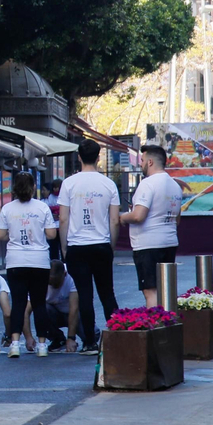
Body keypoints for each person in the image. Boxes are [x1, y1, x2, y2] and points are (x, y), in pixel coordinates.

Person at [58, 139, 121, 351]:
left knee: (84, 295)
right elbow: (114, 220)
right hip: (101, 244)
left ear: (79, 157)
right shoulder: (108, 184)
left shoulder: (69, 184)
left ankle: (89, 342)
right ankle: (117, 336)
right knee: (107, 293)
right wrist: (111, 246)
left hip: (77, 246)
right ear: (98, 157)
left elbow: (63, 219)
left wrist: (64, 247)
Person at [0, 171, 58, 358]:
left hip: (16, 261)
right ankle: (42, 345)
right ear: (33, 187)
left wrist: (13, 234)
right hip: (39, 261)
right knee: (39, 303)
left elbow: (0, 235)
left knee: (18, 303)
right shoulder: (42, 207)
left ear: (14, 188)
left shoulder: (7, 208)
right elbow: (51, 234)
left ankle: (15, 344)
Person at [119, 145, 183, 308]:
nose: (140, 164)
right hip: (169, 242)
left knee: (151, 291)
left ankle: (156, 323)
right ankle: (169, 321)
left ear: (150, 162)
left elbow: (138, 216)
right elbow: (177, 219)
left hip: (148, 245)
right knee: (166, 290)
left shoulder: (147, 184)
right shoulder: (175, 186)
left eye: (142, 160)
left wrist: (123, 217)